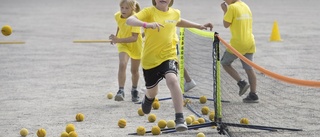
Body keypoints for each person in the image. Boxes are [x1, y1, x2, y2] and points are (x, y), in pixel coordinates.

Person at [126, 0, 213, 131]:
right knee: (152, 92)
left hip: (169, 55)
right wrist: (146, 24)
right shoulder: (149, 12)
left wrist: (199, 26)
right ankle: (148, 98)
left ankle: (179, 118)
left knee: (172, 80)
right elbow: (129, 20)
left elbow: (178, 21)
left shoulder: (175, 13)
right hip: (150, 60)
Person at [220, 0, 259, 103]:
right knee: (249, 69)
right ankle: (253, 94)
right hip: (250, 41)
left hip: (238, 43)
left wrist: (225, 10)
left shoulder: (232, 8)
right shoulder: (245, 5)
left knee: (225, 63)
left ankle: (241, 82)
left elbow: (226, 24)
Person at [109, 0, 142, 102]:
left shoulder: (135, 19)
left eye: (126, 8)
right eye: (122, 8)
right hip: (123, 45)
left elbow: (134, 38)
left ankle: (134, 89)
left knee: (134, 71)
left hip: (135, 45)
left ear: (133, 9)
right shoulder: (117, 16)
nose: (123, 10)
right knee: (122, 64)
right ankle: (121, 90)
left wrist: (118, 39)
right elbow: (120, 25)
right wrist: (116, 37)